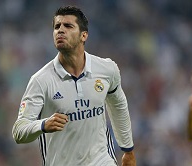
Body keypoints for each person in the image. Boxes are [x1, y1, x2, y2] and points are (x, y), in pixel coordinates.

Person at [12, 5, 136, 166]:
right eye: (57, 27)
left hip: (101, 160)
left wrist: (128, 150)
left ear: (83, 35)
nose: (60, 30)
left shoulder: (106, 69)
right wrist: (42, 125)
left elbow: (118, 106)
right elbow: (19, 131)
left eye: (68, 26)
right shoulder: (41, 80)